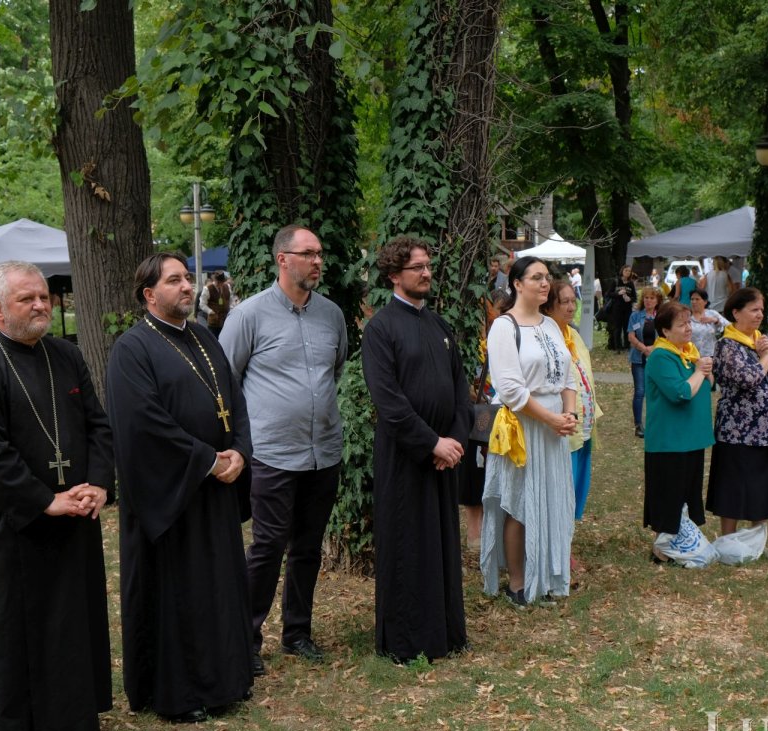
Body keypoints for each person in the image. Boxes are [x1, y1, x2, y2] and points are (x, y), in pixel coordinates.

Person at [0, 261, 113, 731]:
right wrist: (45, 500)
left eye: (44, 296)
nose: (42, 305)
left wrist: (99, 484)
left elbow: (99, 427)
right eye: (28, 299)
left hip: (74, 513)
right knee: (20, 630)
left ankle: (73, 724)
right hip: (15, 523)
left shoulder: (67, 356)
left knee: (70, 623)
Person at [106, 252, 254, 723]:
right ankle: (181, 691)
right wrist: (206, 460)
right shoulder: (132, 348)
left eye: (188, 278)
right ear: (150, 294)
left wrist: (239, 453)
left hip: (216, 486)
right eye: (175, 281)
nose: (187, 287)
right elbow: (143, 424)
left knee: (220, 587)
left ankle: (226, 678)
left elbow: (236, 401)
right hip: (169, 494)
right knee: (181, 591)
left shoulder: (205, 338)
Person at [220, 224, 349, 674]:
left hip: (323, 452)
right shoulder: (249, 316)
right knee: (268, 545)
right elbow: (226, 381)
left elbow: (335, 370)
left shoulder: (331, 315)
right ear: (282, 259)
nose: (317, 261)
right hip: (271, 453)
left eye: (320, 253)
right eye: (308, 253)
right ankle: (246, 638)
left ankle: (297, 633)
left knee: (308, 546)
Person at [361, 236, 471, 663]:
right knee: (407, 545)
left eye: (428, 266)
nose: (426, 273)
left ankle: (446, 633)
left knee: (442, 543)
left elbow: (461, 389)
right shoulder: (381, 328)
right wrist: (431, 444)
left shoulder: (440, 326)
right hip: (406, 458)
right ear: (394, 275)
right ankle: (407, 641)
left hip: (446, 458)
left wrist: (456, 441)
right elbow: (388, 401)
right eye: (417, 268)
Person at [480, 257, 577, 606]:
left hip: (555, 426)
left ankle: (548, 576)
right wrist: (550, 419)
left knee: (551, 499)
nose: (544, 283)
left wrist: (568, 414)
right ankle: (518, 584)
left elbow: (568, 377)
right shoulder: (504, 327)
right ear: (517, 284)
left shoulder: (551, 326)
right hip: (524, 426)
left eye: (546, 277)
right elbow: (510, 390)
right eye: (536, 277)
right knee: (520, 503)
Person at [706, 287, 768, 535]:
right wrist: (767, 356)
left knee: (761, 487)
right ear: (736, 313)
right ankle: (728, 538)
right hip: (737, 431)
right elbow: (749, 378)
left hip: (766, 430)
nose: (760, 314)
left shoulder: (760, 339)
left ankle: (757, 539)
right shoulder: (728, 345)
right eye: (753, 309)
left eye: (761, 309)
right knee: (734, 486)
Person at [643, 302, 714, 554]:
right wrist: (699, 371)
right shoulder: (661, 356)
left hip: (691, 438)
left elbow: (707, 386)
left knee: (687, 491)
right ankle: (664, 548)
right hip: (669, 440)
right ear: (665, 330)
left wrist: (705, 372)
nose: (688, 328)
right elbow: (681, 393)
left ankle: (684, 541)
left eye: (689, 323)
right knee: (670, 493)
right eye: (681, 324)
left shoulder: (688, 352)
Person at [543, 278, 601, 522]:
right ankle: (559, 547)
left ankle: (567, 540)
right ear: (548, 307)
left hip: (583, 425)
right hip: (563, 425)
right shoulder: (544, 336)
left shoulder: (573, 334)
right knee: (562, 491)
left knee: (578, 488)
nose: (570, 307)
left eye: (572, 301)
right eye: (563, 302)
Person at [627, 286, 663, 438]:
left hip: (656, 358)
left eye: (652, 298)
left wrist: (653, 348)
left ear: (657, 301)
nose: (648, 301)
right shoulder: (635, 316)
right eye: (646, 298)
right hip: (638, 358)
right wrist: (643, 348)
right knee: (640, 391)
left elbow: (665, 336)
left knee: (654, 392)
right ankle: (638, 425)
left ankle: (655, 424)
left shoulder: (661, 316)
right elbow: (631, 336)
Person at [688, 288, 728, 359]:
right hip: (692, 355)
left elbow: (728, 326)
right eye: (692, 299)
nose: (694, 302)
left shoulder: (712, 313)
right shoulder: (687, 316)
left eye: (697, 299)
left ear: (705, 302)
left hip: (711, 354)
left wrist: (715, 321)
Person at [607, 265, 636, 351]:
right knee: (617, 327)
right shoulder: (616, 281)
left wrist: (630, 299)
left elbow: (635, 297)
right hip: (617, 308)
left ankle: (627, 346)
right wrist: (618, 293)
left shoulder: (631, 283)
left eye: (629, 271)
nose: (627, 272)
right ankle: (618, 347)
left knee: (627, 327)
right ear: (622, 271)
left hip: (627, 309)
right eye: (626, 270)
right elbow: (609, 293)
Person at [205, 272, 234, 337]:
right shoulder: (207, 289)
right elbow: (202, 304)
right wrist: (210, 311)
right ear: (214, 280)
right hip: (214, 321)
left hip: (225, 320)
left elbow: (231, 300)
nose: (220, 284)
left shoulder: (227, 287)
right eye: (218, 282)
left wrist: (231, 309)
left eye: (221, 282)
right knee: (214, 340)